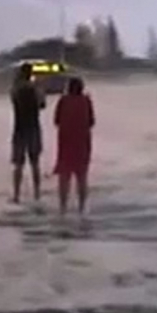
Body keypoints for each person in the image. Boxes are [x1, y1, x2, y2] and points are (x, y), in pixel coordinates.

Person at [54, 77, 95, 215]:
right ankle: (82, 208)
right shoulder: (86, 101)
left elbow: (57, 121)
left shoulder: (63, 101)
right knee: (82, 176)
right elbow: (91, 122)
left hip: (66, 142)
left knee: (64, 177)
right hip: (82, 142)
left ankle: (62, 208)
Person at [10, 63, 46, 204]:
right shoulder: (35, 89)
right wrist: (40, 86)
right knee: (35, 163)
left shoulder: (16, 89)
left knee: (18, 165)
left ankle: (16, 195)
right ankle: (37, 194)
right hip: (34, 128)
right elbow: (42, 105)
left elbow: (12, 99)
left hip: (19, 129)